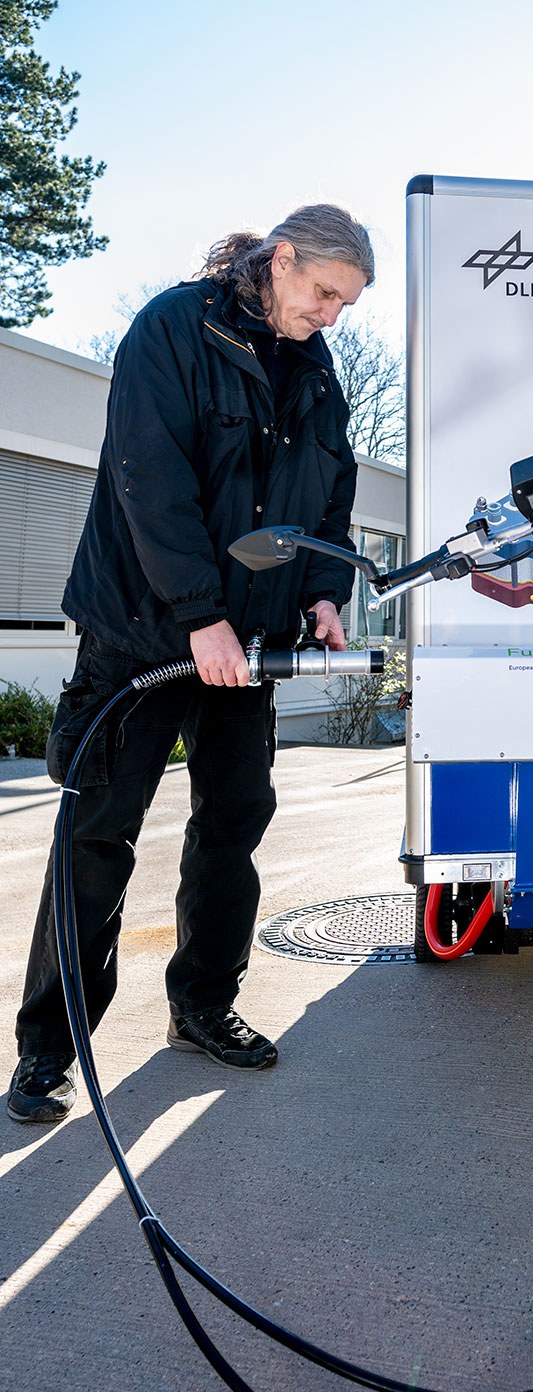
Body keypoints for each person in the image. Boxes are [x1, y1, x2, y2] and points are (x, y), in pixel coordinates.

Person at [8, 203, 374, 1125]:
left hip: (248, 650)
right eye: (325, 292)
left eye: (346, 304)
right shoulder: (172, 328)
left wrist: (326, 590)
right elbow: (150, 481)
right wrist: (198, 615)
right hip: (141, 633)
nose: (332, 314)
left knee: (232, 827)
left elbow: (330, 496)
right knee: (97, 838)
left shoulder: (318, 371)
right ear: (281, 260)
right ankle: (49, 1047)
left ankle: (203, 1005)